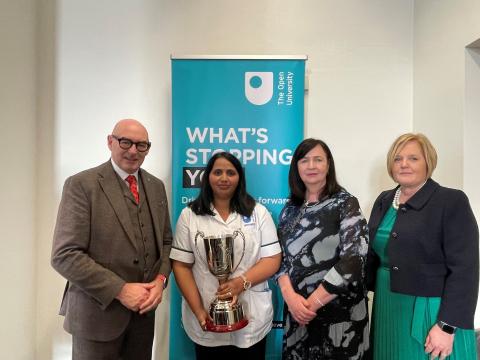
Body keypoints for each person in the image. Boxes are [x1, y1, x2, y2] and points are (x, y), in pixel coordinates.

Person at [51, 119, 172, 360]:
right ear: (110, 142)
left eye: (141, 145)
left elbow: (167, 242)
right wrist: (120, 290)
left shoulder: (156, 186)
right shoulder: (82, 185)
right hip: (96, 318)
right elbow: (64, 255)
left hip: (143, 318)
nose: (133, 151)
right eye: (125, 142)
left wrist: (160, 281)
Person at [367, 133, 479, 360]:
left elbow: (466, 269)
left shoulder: (451, 201)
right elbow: (371, 255)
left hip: (431, 311)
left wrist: (447, 326)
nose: (404, 164)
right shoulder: (384, 200)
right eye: (398, 159)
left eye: (413, 158)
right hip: (388, 305)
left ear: (428, 162)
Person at [170, 151, 282, 359]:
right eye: (217, 172)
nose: (224, 178)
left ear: (240, 177)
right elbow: (181, 265)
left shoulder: (258, 213)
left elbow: (272, 259)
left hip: (251, 319)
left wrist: (241, 282)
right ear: (207, 177)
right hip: (206, 315)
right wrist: (199, 311)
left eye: (231, 172)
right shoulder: (189, 215)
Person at [275, 138, 370, 360]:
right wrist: (291, 299)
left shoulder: (346, 203)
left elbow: (354, 261)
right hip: (298, 316)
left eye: (318, 159)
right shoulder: (289, 209)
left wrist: (312, 303)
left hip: (340, 318)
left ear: (328, 165)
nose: (311, 166)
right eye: (304, 160)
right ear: (296, 167)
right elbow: (280, 259)